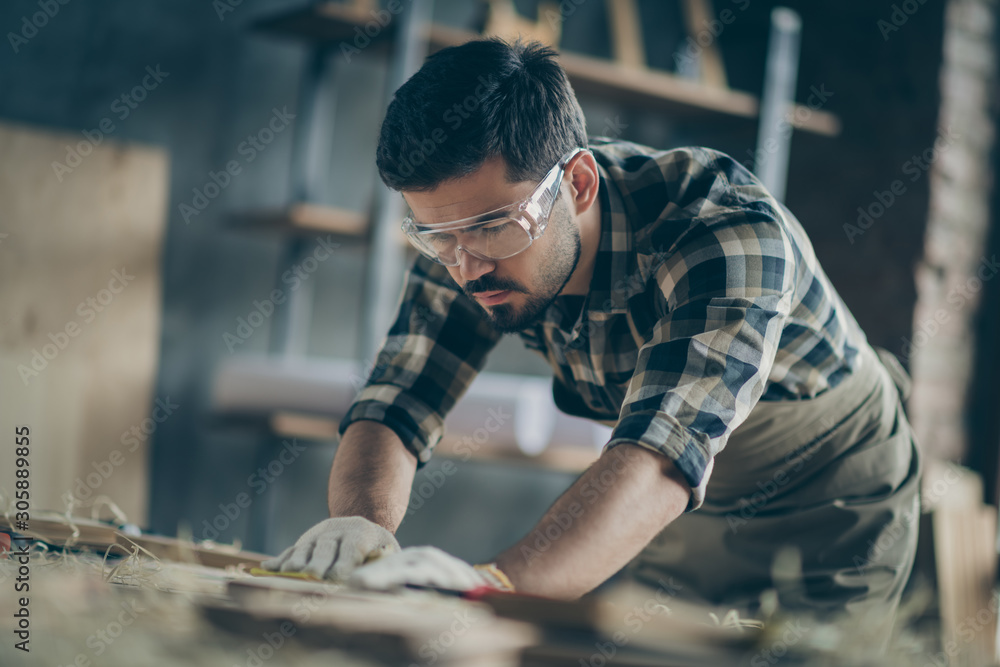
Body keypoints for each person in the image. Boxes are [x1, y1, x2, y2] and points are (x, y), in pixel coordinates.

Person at [263, 38, 921, 625]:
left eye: (492, 229)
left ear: (576, 182)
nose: (466, 265)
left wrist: (491, 589)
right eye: (435, 236)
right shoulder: (471, 240)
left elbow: (662, 458)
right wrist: (361, 520)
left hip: (829, 502)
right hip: (689, 506)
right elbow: (396, 400)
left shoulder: (727, 234)